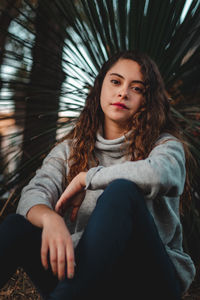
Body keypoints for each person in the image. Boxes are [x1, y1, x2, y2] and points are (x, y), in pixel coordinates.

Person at [0, 51, 196, 300]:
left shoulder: (165, 146)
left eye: (136, 88)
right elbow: (32, 194)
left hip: (147, 282)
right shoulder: (70, 150)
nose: (123, 92)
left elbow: (159, 174)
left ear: (147, 100)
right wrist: (50, 218)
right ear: (100, 87)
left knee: (121, 191)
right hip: (85, 278)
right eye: (116, 82)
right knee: (17, 227)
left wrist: (86, 178)